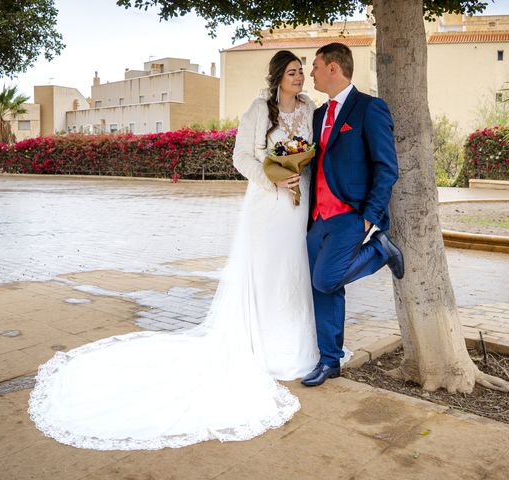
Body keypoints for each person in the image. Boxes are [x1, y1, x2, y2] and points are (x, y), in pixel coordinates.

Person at [28, 50, 319, 451]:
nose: (300, 78)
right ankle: (259, 345)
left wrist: (296, 172)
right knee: (265, 271)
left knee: (292, 270)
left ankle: (292, 344)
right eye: (293, 72)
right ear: (277, 77)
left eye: (302, 72)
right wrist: (274, 179)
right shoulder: (258, 109)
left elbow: (311, 150)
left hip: (296, 203)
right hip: (267, 203)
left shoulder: (309, 107)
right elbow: (241, 157)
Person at [301, 43, 405, 387]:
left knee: (326, 279)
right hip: (318, 218)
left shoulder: (369, 109)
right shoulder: (318, 115)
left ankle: (380, 249)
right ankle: (330, 361)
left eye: (314, 66)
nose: (310, 72)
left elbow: (386, 167)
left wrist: (368, 219)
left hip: (350, 215)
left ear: (333, 67)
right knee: (324, 290)